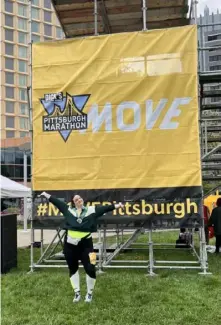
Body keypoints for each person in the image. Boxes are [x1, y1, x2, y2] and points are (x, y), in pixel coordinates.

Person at [39, 192, 124, 303]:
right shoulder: (68, 210)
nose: (78, 200)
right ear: (73, 203)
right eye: (76, 200)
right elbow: (57, 202)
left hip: (87, 245)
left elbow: (105, 209)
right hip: (69, 245)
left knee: (90, 267)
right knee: (72, 268)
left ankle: (89, 294)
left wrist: (118, 205)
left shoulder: (91, 210)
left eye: (79, 198)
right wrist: (46, 194)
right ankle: (77, 293)